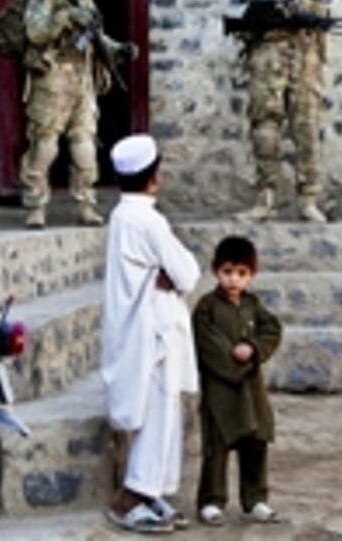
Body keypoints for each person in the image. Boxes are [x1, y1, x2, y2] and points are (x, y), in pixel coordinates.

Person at [205, 0, 342, 223]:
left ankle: (308, 199)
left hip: (302, 55)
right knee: (265, 128)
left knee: (306, 127)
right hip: (267, 55)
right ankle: (264, 198)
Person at [101, 134, 200, 533]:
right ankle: (132, 496)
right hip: (154, 331)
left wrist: (169, 275)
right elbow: (188, 273)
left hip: (142, 328)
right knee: (159, 412)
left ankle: (151, 489)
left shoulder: (122, 216)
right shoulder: (149, 221)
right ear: (153, 178)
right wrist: (171, 277)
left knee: (160, 412)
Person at [20, 0, 137, 229]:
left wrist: (118, 49)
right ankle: (35, 207)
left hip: (82, 76)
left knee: (84, 143)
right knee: (45, 144)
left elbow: (93, 37)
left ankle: (86, 204)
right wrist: (66, 18)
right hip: (53, 75)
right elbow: (35, 32)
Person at [191, 235, 283, 526]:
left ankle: (255, 499)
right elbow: (210, 345)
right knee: (216, 448)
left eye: (241, 274)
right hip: (220, 389)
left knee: (255, 443)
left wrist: (254, 349)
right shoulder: (206, 307)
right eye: (227, 272)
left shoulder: (254, 306)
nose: (233, 280)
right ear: (216, 271)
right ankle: (211, 501)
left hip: (251, 391)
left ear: (251, 276)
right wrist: (236, 362)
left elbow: (272, 331)